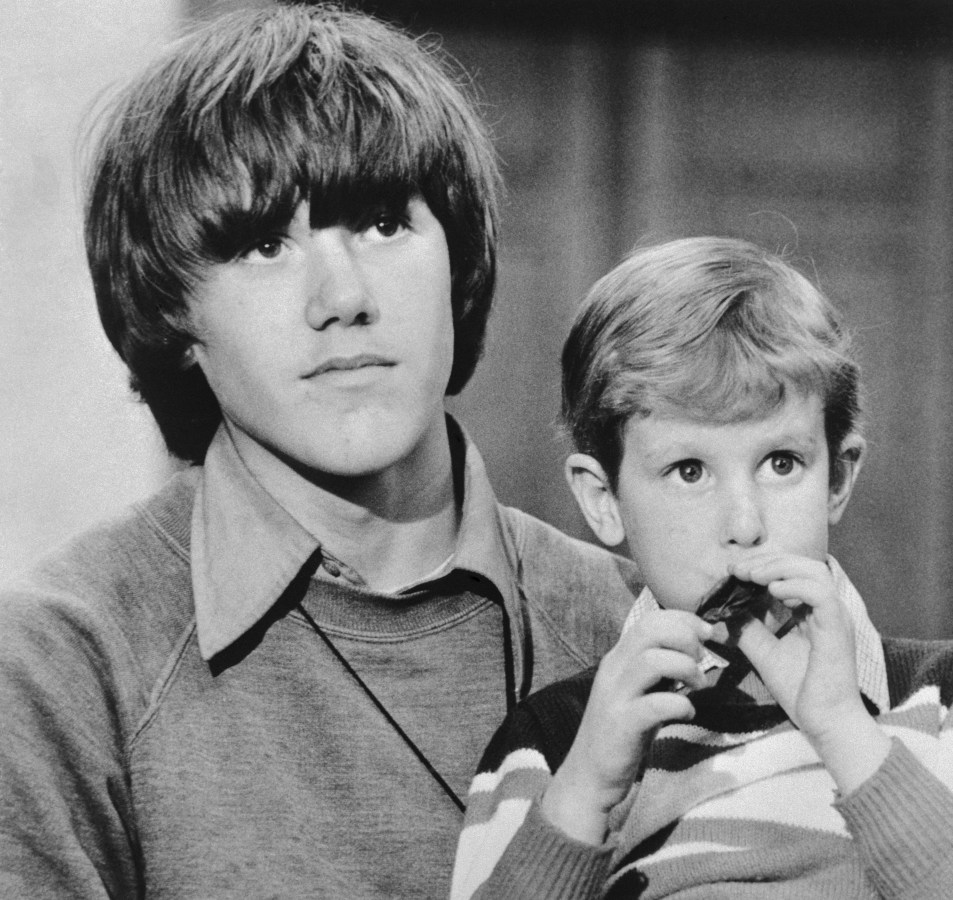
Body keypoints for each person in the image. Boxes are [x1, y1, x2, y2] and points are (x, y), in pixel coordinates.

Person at [0, 6, 641, 898]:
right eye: (263, 246)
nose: (342, 296)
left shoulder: (633, 625)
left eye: (382, 224)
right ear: (172, 316)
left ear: (457, 261)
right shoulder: (65, 664)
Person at [451, 236, 953, 899]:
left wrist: (842, 730)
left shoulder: (937, 700)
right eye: (689, 471)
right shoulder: (555, 745)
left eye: (780, 463)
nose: (744, 524)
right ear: (603, 500)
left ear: (837, 477)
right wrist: (585, 796)